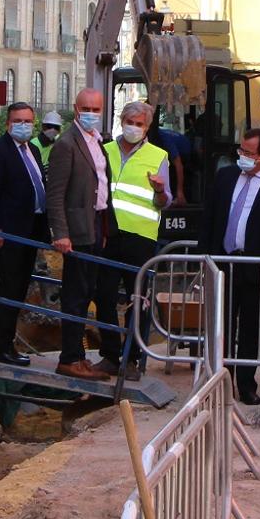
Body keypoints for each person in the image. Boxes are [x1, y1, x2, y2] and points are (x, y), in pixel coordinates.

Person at [199, 128, 260, 405]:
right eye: (240, 150)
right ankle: (221, 380)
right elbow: (210, 218)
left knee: (252, 328)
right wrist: (204, 257)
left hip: (257, 265)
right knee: (223, 325)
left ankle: (246, 384)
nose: (242, 156)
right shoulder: (226, 177)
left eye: (248, 153)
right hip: (224, 262)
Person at [94, 101, 172, 380]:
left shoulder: (158, 155)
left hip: (141, 237)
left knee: (137, 299)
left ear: (147, 127)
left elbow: (164, 202)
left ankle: (131, 358)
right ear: (121, 120)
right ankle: (110, 355)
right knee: (102, 295)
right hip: (107, 233)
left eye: (140, 124)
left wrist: (160, 191)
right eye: (130, 122)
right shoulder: (105, 151)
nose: (134, 128)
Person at [45, 88, 113, 381]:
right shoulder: (66, 144)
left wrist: (105, 228)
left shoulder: (98, 142)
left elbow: (101, 188)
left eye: (96, 109)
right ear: (76, 109)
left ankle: (80, 356)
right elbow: (55, 193)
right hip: (76, 231)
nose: (91, 114)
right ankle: (70, 357)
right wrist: (60, 233)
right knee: (75, 293)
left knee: (87, 292)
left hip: (96, 225)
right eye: (86, 108)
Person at [0, 101, 50, 366]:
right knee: (9, 288)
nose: (24, 126)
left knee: (20, 288)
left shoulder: (32, 148)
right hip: (8, 232)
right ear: (8, 123)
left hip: (30, 229)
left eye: (28, 121)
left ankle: (8, 343)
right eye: (18, 121)